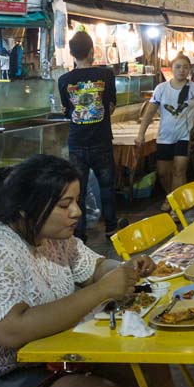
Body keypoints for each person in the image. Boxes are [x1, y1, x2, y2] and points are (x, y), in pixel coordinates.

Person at [0, 155, 172, 387]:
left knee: (146, 362)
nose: (77, 212)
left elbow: (95, 266)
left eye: (76, 200)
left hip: (35, 361)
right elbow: (11, 331)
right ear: (25, 209)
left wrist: (124, 270)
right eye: (64, 205)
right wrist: (101, 290)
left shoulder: (53, 237)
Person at [57, 31, 123, 239]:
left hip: (76, 143)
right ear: (92, 51)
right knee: (107, 186)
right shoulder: (106, 75)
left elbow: (68, 111)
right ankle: (111, 227)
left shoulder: (64, 80)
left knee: (79, 191)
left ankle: (79, 233)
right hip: (101, 141)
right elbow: (111, 107)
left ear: (71, 54)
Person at [137, 54, 194, 195]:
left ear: (190, 70)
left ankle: (178, 206)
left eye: (185, 67)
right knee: (163, 173)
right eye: (178, 67)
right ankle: (172, 197)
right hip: (165, 136)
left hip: (185, 136)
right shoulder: (161, 89)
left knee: (179, 170)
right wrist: (141, 134)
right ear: (172, 69)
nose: (182, 70)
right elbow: (149, 113)